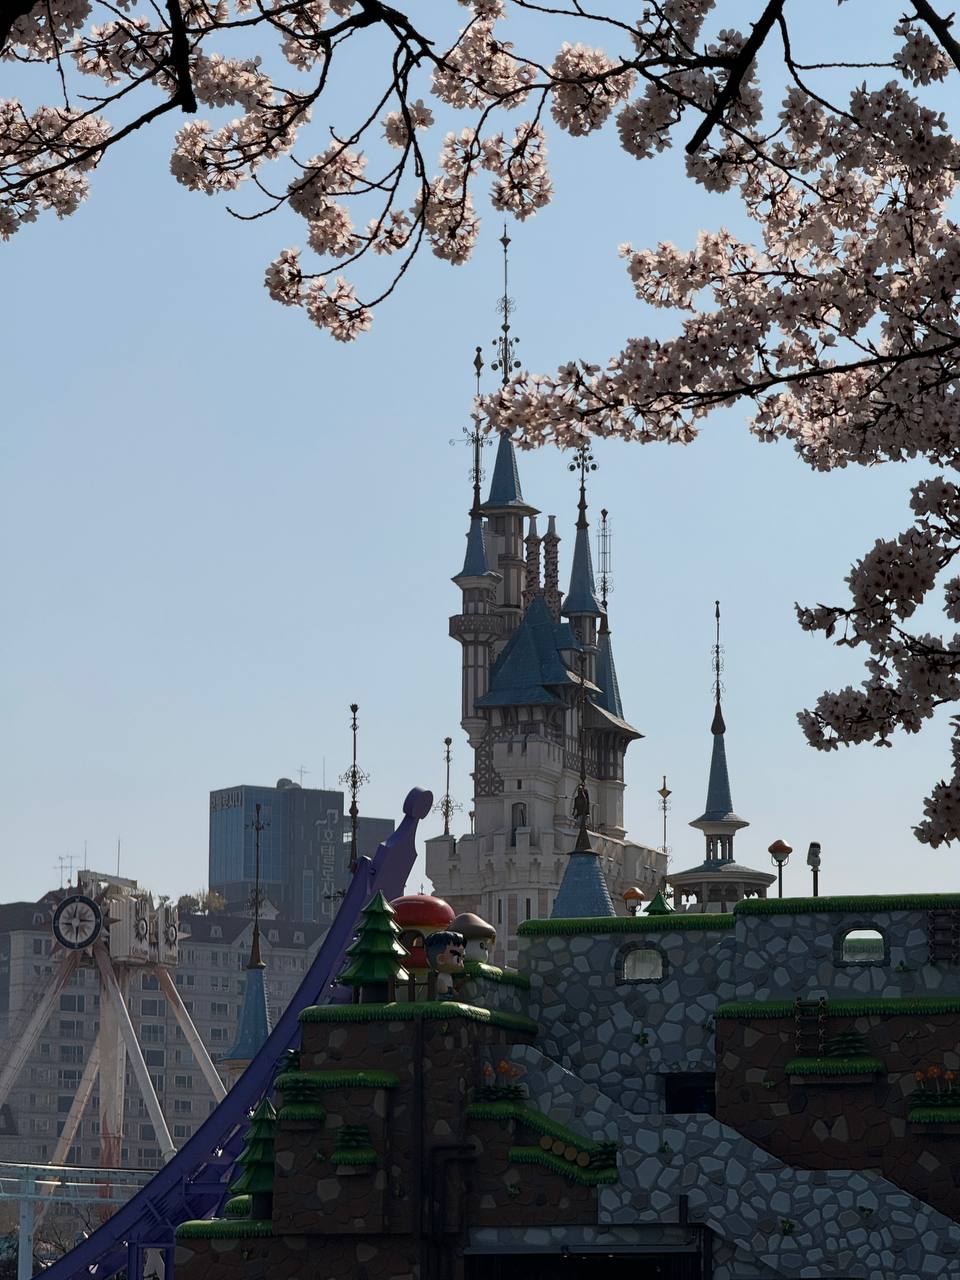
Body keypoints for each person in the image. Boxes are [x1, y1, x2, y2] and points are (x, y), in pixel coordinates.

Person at [424, 930, 465, 995]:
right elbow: (442, 989)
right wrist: (450, 990)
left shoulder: (448, 976)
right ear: (441, 959)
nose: (462, 964)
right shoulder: (441, 978)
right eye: (458, 959)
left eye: (463, 958)